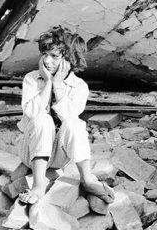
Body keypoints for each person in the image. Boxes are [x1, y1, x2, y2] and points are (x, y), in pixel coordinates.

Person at [15, 25, 114, 205]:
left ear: (69, 60)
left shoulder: (79, 86)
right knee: (43, 118)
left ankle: (88, 179)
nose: (47, 61)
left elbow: (69, 118)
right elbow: (32, 114)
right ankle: (38, 185)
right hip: (31, 150)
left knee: (75, 123)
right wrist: (47, 83)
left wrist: (58, 85)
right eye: (44, 54)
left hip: (61, 155)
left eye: (54, 56)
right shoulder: (31, 78)